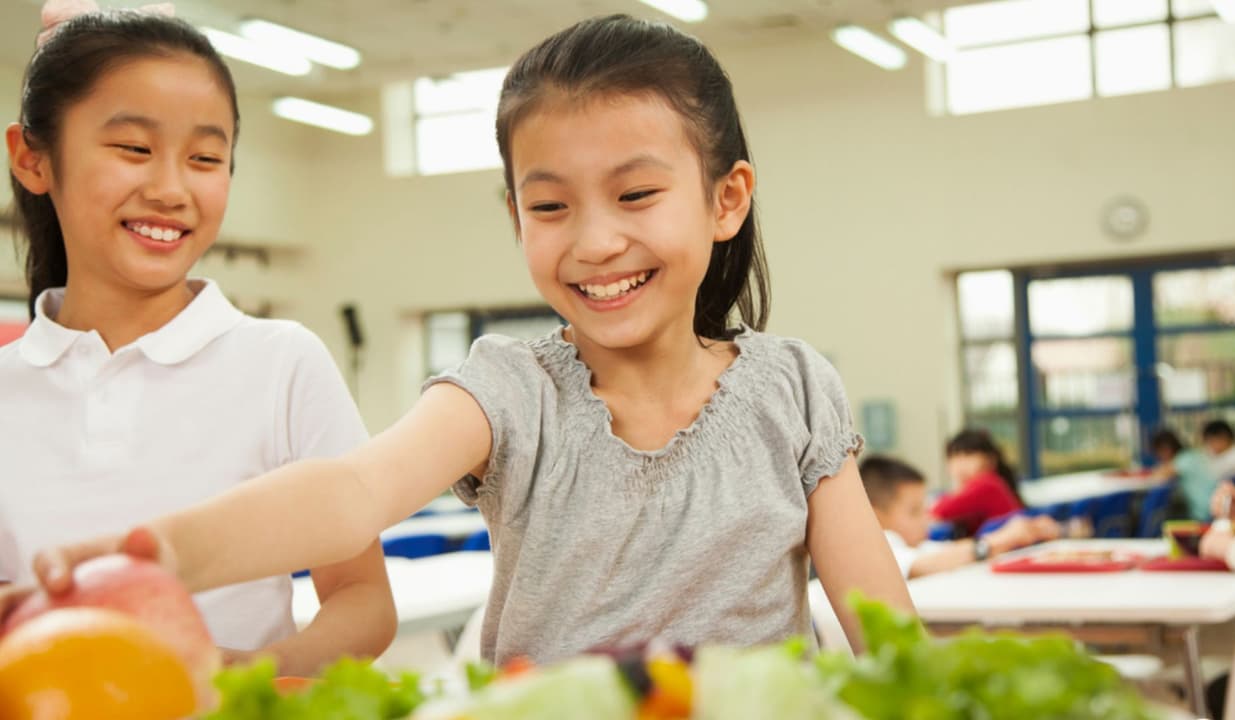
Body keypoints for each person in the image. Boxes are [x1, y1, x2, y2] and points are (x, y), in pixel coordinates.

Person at [3, 14, 913, 665]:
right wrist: (162, 551)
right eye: (550, 206)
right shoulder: (507, 388)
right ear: (515, 213)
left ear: (726, 198)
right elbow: (352, 493)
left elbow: (882, 626)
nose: (595, 241)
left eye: (636, 196)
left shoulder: (793, 388)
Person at [0, 1, 394, 675]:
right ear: (33, 160)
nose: (171, 188)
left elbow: (362, 598)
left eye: (207, 157)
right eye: (134, 149)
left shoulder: (281, 362)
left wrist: (254, 676)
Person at [862, 455, 1057, 578]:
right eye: (914, 511)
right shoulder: (881, 546)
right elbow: (921, 566)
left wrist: (1020, 535)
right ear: (875, 516)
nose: (926, 519)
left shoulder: (916, 545)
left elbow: (953, 551)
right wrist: (1003, 538)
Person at [931, 429, 1024, 536]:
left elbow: (938, 512)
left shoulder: (987, 484)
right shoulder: (994, 482)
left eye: (968, 456)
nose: (960, 464)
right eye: (953, 457)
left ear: (990, 460)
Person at [1149, 428, 1217, 522]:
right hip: (1210, 507)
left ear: (1166, 448)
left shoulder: (1184, 459)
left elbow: (1161, 474)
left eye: (1159, 453)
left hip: (1204, 512)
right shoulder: (1191, 455)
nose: (1159, 457)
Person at [1203, 419, 1235, 483]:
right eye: (1209, 442)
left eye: (1213, 441)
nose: (1211, 445)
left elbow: (1214, 475)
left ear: (1225, 438)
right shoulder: (1212, 454)